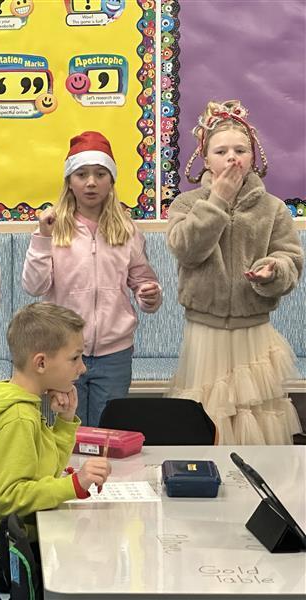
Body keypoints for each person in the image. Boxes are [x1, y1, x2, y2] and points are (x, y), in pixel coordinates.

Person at [0, 302, 111, 593]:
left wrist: (65, 422)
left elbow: (44, 469)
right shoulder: (16, 418)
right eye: (75, 358)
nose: (82, 368)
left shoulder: (22, 400)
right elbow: (9, 499)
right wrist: (75, 484)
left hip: (6, 541)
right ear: (41, 363)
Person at [167, 100, 303, 445]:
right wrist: (217, 202)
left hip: (252, 331)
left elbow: (291, 258)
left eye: (241, 150)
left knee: (254, 415)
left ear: (253, 157)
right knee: (207, 412)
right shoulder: (185, 205)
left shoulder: (272, 208)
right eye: (221, 150)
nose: (232, 157)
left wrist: (274, 270)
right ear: (206, 159)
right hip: (205, 332)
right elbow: (187, 249)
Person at [22, 131, 161, 426]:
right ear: (69, 181)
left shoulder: (127, 230)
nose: (91, 182)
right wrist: (43, 239)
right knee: (69, 431)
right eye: (82, 174)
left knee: (108, 432)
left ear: (111, 181)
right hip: (63, 351)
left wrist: (150, 294)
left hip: (115, 354)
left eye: (100, 174)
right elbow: (34, 286)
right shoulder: (54, 229)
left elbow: (143, 284)